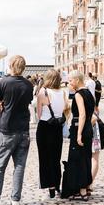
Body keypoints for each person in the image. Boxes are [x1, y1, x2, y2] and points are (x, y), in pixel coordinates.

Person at [0, 55, 34, 205]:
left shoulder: (3, 82)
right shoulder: (29, 85)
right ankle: (16, 199)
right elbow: (27, 103)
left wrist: (3, 106)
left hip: (7, 127)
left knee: (0, 165)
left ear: (11, 65)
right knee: (19, 166)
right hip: (23, 129)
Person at [61, 70, 94, 200]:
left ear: (77, 80)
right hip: (87, 128)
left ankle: (81, 190)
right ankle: (84, 187)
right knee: (86, 158)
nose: (69, 83)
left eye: (70, 80)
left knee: (78, 158)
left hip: (79, 127)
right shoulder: (89, 94)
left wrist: (79, 133)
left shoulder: (79, 95)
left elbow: (82, 114)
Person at [35, 69, 68, 198]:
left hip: (45, 126)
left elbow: (38, 114)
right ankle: (56, 184)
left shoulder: (43, 92)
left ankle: (50, 187)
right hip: (57, 127)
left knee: (44, 158)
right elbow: (65, 110)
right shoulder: (63, 92)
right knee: (56, 157)